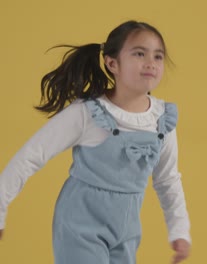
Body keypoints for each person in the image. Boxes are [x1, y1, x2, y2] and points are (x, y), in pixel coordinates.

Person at [0, 20, 191, 264]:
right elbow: (32, 154)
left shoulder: (162, 120)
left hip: (127, 230)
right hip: (80, 224)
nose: (151, 63)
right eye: (139, 53)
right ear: (112, 63)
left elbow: (167, 179)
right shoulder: (88, 113)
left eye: (158, 56)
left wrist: (179, 230)